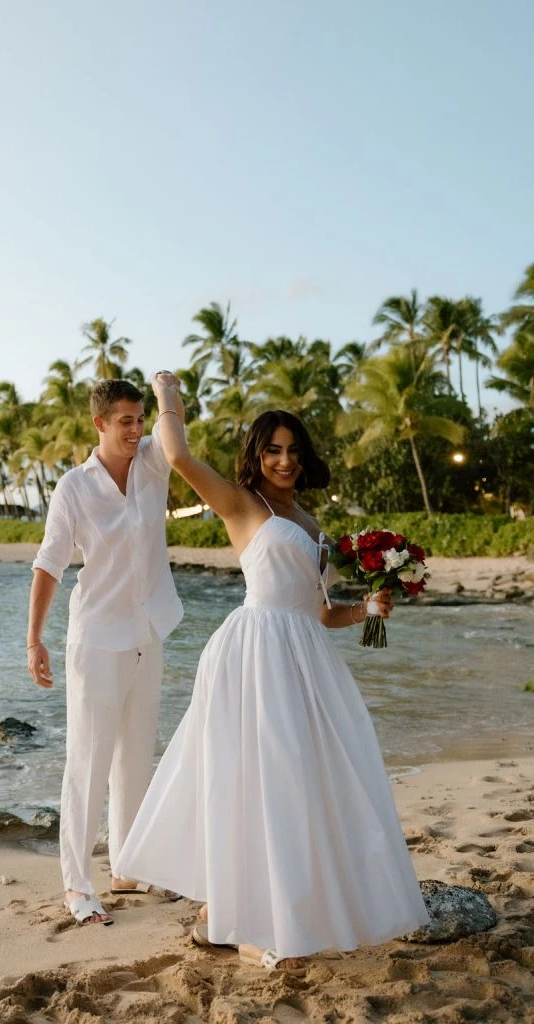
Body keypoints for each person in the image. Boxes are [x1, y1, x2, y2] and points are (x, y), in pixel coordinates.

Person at [116, 373, 429, 968]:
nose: (284, 460)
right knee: (258, 780)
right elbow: (178, 454)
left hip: (307, 654)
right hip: (256, 653)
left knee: (311, 778)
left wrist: (367, 608)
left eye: (293, 450)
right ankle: (238, 914)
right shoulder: (241, 503)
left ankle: (224, 916)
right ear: (257, 455)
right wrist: (167, 399)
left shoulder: (308, 519)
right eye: (273, 449)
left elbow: (317, 611)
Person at [27, 378, 184, 926]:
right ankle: (76, 886)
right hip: (96, 637)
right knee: (88, 765)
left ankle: (128, 867)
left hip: (148, 630)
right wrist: (34, 640)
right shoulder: (74, 487)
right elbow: (49, 563)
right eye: (125, 421)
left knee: (136, 758)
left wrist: (168, 393)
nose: (137, 429)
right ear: (99, 423)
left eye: (141, 419)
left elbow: (176, 437)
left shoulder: (152, 463)